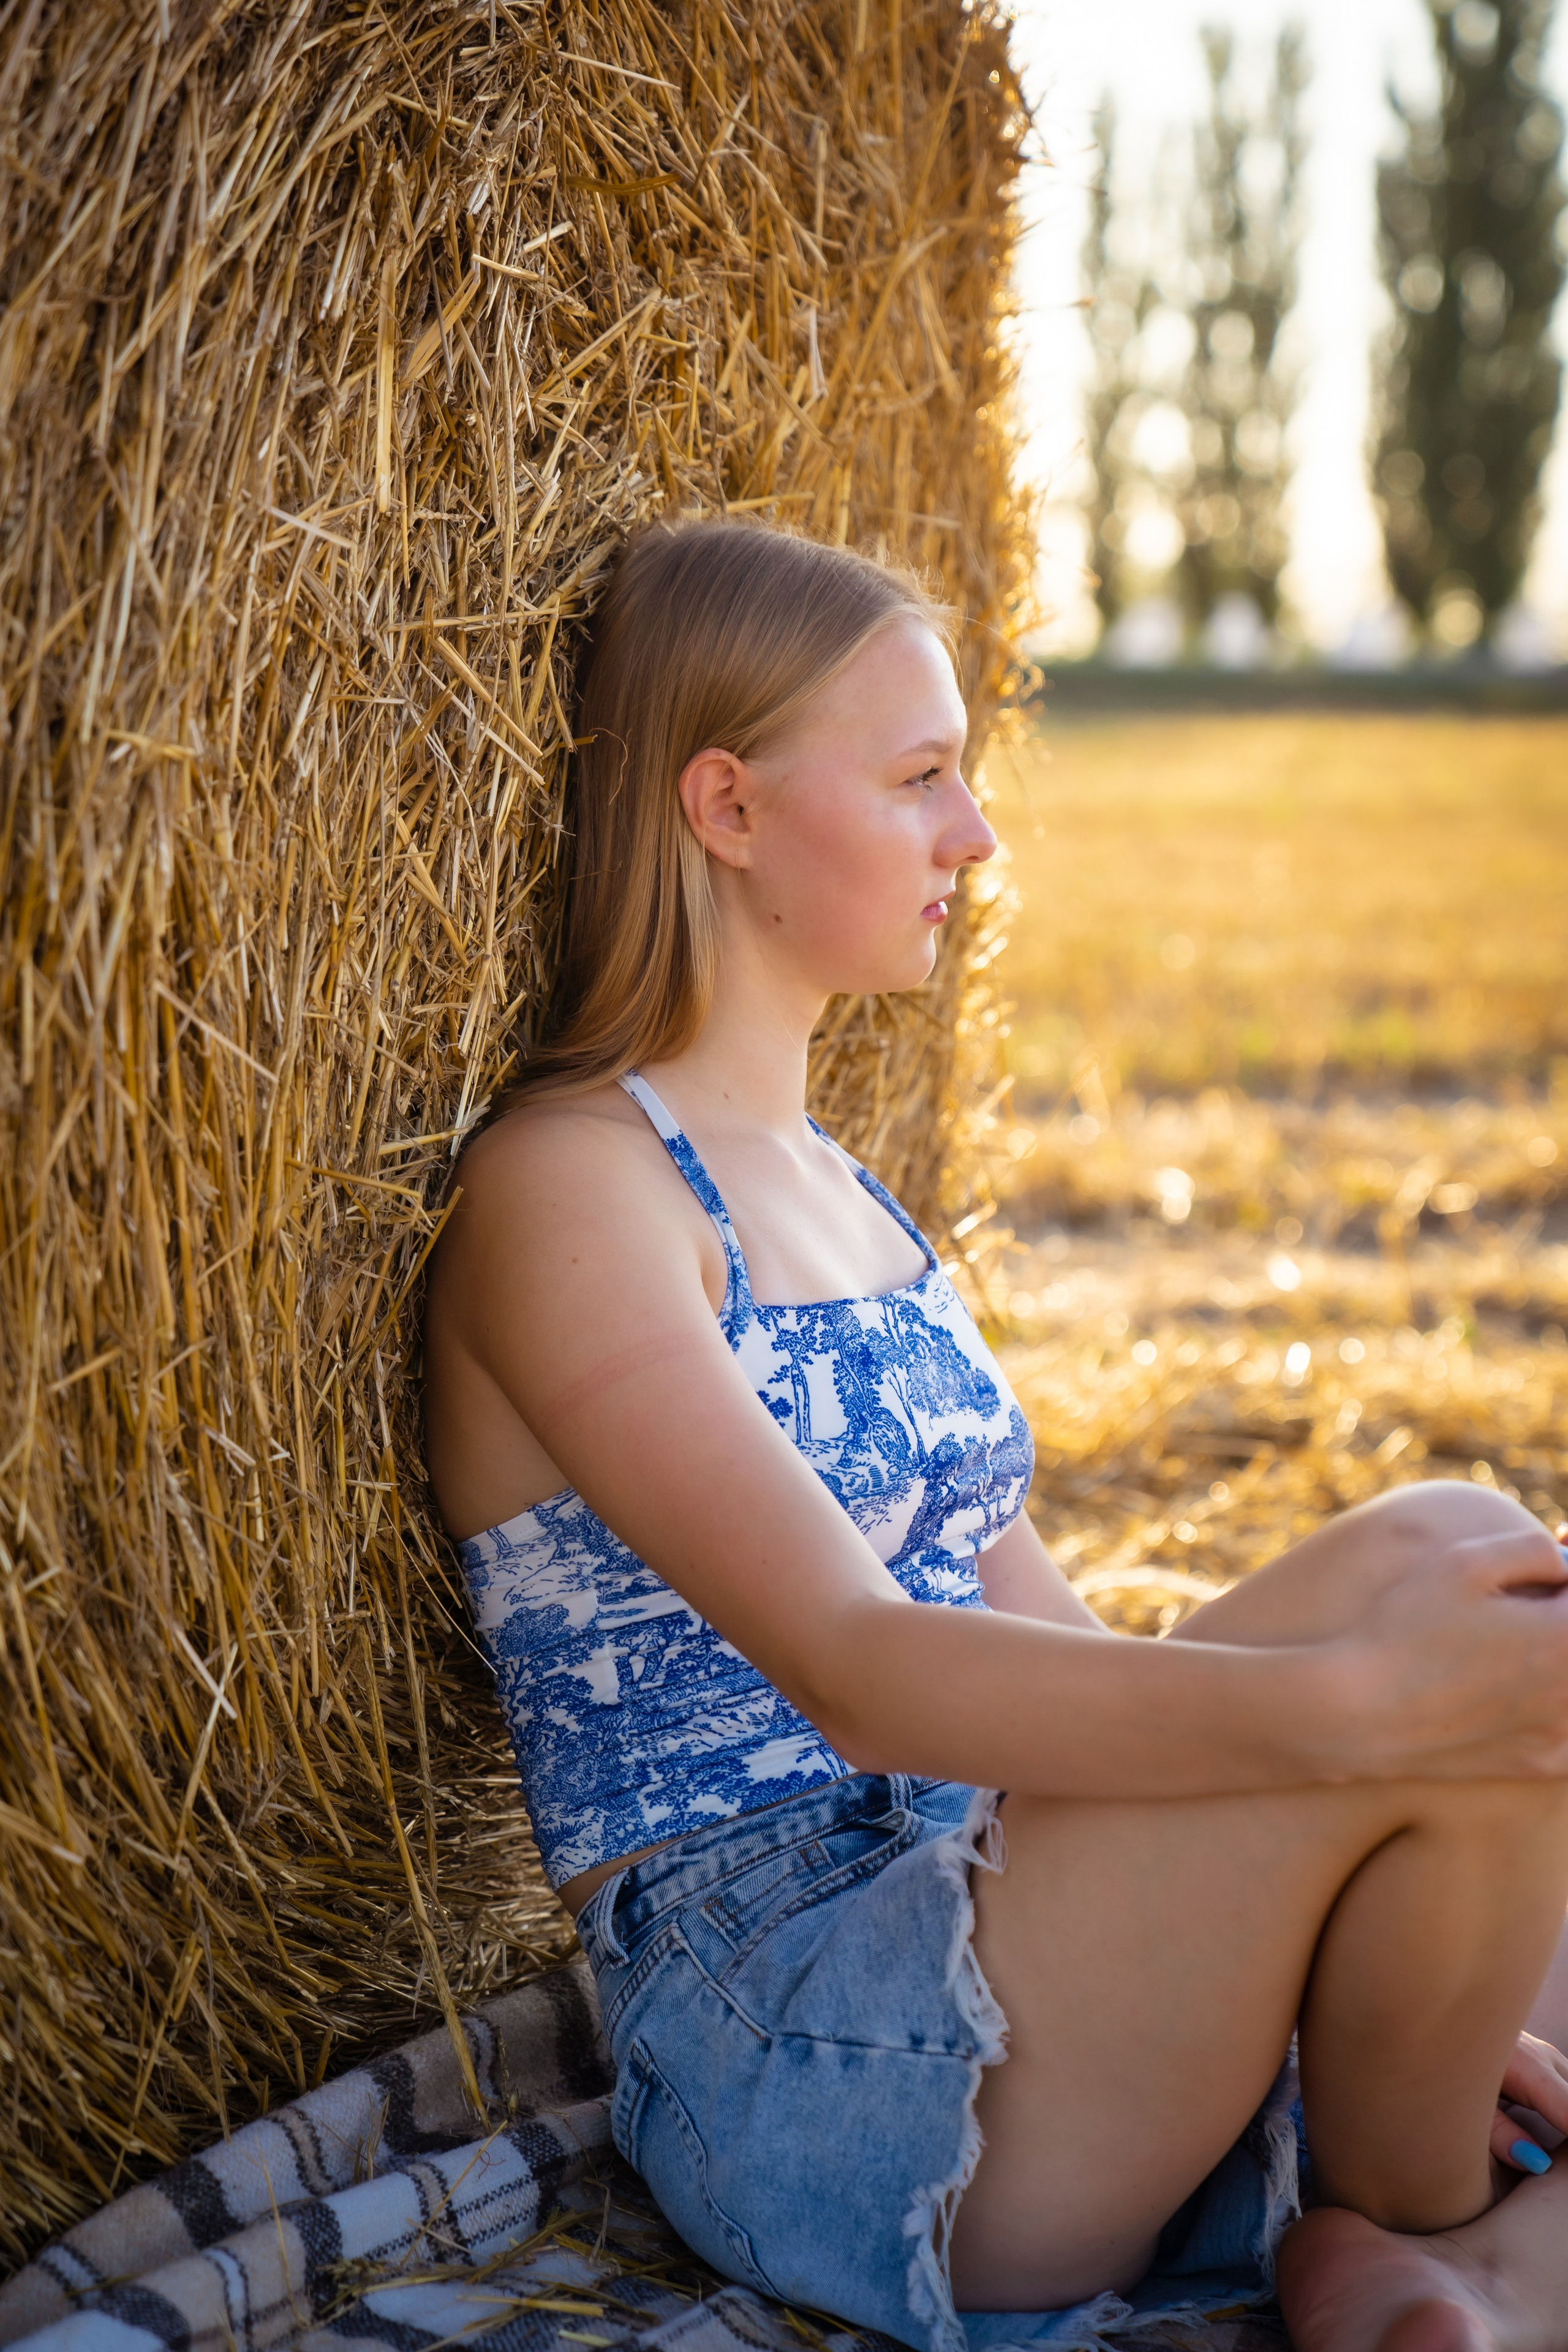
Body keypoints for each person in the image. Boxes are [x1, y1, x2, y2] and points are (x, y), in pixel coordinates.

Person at [423, 514, 1568, 2352]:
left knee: (1475, 1565)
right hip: (810, 2040)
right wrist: (1368, 1723)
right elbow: (864, 1670)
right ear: (725, 810)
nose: (979, 834)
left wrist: (1395, 1923)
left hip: (1027, 1907)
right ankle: (1447, 2234)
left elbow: (1062, 1661)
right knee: (1448, 1616)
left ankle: (1429, 2248)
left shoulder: (866, 1216)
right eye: (922, 776)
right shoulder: (573, 1194)